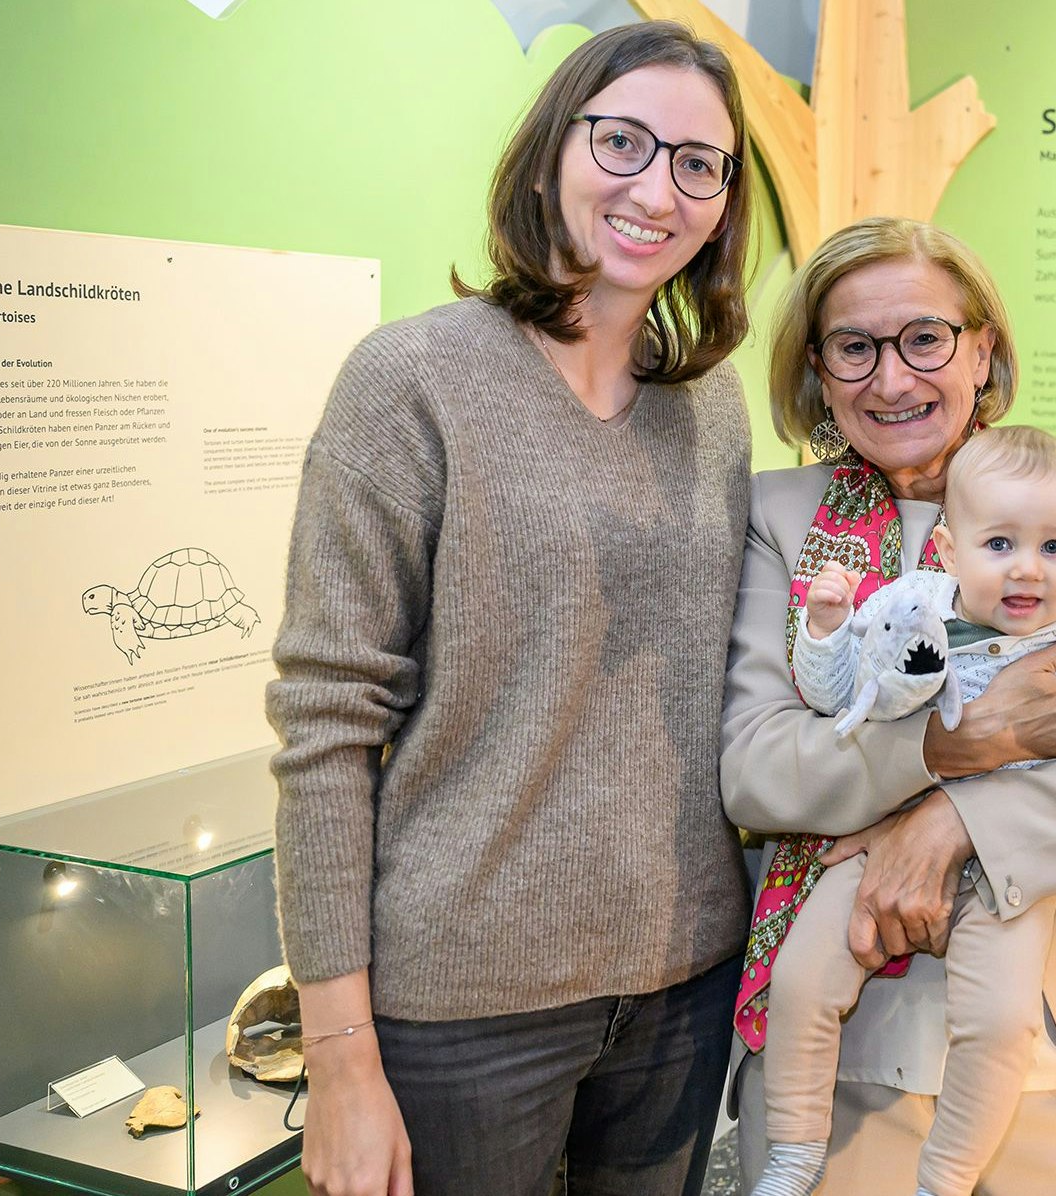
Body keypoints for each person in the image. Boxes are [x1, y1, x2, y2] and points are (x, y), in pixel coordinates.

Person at [266, 22, 754, 1196]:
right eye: (623, 140)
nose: (658, 188)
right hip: (463, 1011)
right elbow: (326, 723)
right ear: (549, 155)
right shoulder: (410, 381)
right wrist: (338, 1060)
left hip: (684, 987)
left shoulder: (715, 407)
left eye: (700, 163)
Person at [722, 216, 1056, 1195]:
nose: (891, 379)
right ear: (817, 368)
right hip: (840, 1061)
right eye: (854, 347)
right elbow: (756, 767)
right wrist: (950, 747)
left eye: (924, 339)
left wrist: (947, 821)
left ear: (980, 347)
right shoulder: (776, 516)